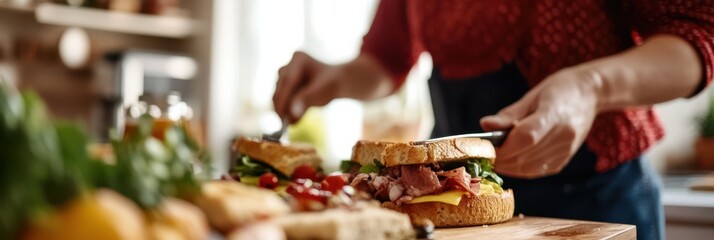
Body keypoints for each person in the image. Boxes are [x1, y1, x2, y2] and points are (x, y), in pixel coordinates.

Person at [271, 1, 714, 240]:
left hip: (598, 199)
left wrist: (592, 85)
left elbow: (696, 34)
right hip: (448, 214)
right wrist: (335, 77)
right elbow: (385, 59)